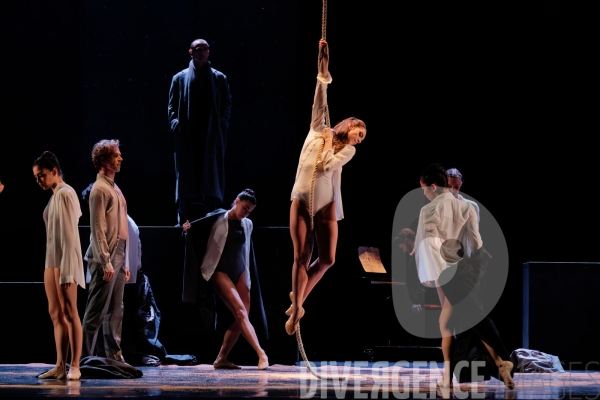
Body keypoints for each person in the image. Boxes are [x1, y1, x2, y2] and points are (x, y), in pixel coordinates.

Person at [285, 38, 367, 335]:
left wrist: (336, 144)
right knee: (301, 256)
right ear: (350, 123)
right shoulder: (317, 130)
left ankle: (299, 299)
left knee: (329, 258)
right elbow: (320, 92)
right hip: (302, 197)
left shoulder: (347, 151)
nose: (360, 139)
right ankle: (297, 310)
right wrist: (323, 63)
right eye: (359, 133)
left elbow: (328, 166)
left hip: (326, 201)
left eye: (362, 138)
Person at [414, 163, 514, 389]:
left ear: (432, 186)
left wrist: (432, 273)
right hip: (468, 267)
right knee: (460, 320)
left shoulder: (431, 209)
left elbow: (429, 243)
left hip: (447, 269)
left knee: (461, 321)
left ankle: (499, 362)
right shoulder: (465, 208)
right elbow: (476, 242)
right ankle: (495, 365)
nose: (454, 190)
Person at [182, 189, 269, 370]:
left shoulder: (248, 224)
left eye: (249, 211)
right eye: (245, 208)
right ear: (236, 201)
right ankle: (261, 354)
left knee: (240, 318)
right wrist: (187, 229)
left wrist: (245, 274)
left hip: (240, 271)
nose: (246, 213)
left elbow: (245, 252)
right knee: (240, 312)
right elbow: (198, 228)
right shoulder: (218, 218)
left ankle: (221, 358)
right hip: (219, 270)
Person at [168, 38, 232, 226]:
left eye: (205, 49)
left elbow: (227, 104)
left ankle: (212, 217)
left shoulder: (219, 78)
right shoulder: (179, 78)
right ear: (191, 52)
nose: (202, 52)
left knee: (210, 175)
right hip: (187, 135)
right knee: (187, 176)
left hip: (210, 135)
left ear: (209, 52)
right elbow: (171, 106)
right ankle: (183, 217)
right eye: (198, 49)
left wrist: (222, 124)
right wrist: (175, 123)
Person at [32, 151, 84, 380]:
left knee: (70, 312)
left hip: (65, 261)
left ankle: (75, 366)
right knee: (55, 312)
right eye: (36, 177)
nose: (38, 180)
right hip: (51, 259)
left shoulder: (65, 193)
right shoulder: (54, 196)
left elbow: (70, 237)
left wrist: (67, 269)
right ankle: (60, 365)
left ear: (54, 171)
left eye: (41, 175)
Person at [81, 139, 131, 363]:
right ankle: (82, 358)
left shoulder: (114, 187)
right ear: (103, 160)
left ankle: (113, 356)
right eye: (115, 155)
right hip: (106, 254)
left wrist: (125, 261)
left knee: (116, 310)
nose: (120, 158)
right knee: (96, 311)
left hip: (119, 251)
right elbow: (97, 228)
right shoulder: (99, 189)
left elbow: (122, 227)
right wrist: (105, 261)